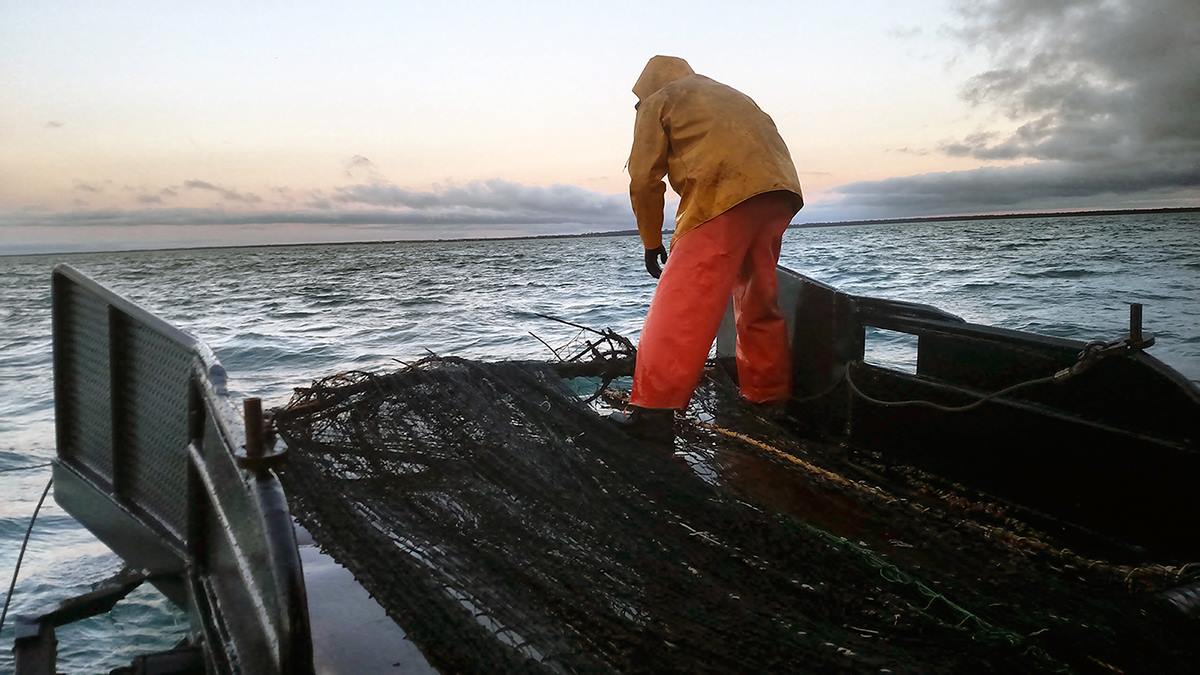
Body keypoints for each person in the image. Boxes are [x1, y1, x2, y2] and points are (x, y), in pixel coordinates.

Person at [611, 55, 804, 440]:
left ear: (644, 87)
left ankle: (653, 411)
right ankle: (768, 398)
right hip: (779, 192)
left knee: (682, 301)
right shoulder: (730, 94)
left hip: (721, 193)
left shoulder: (659, 99)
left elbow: (644, 180)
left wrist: (651, 242)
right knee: (758, 295)